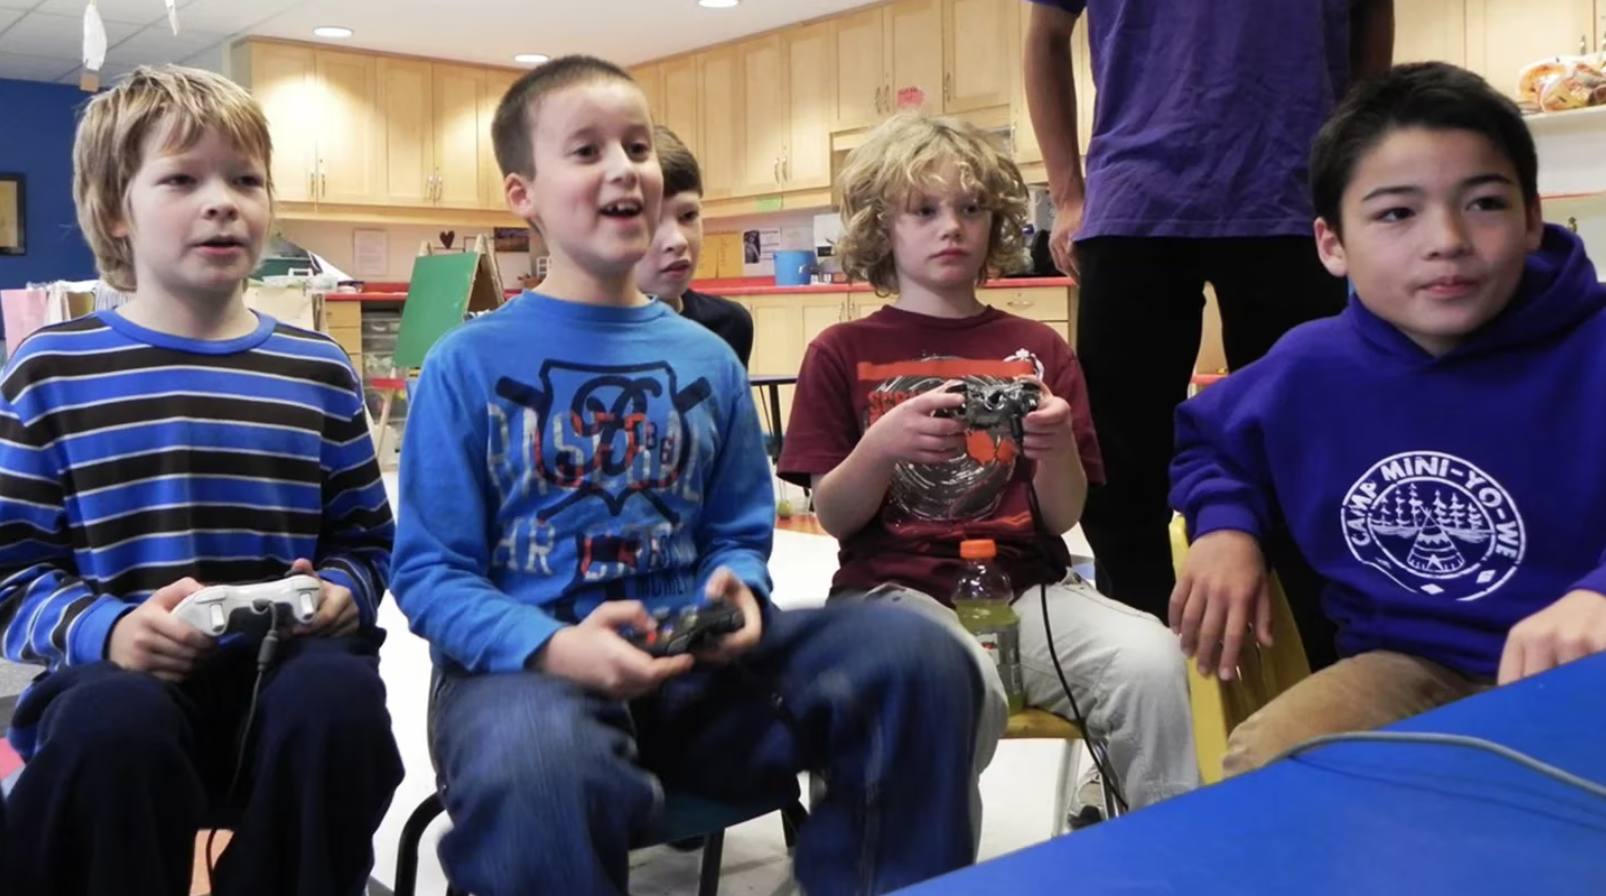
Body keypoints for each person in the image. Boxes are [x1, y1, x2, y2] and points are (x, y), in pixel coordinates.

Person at [390, 56, 982, 896]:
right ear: (523, 194)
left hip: (693, 673)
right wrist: (555, 645)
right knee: (543, 763)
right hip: (526, 679)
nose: (623, 168)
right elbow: (431, 576)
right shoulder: (464, 365)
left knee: (917, 655)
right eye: (586, 150)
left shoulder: (707, 359)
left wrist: (739, 585)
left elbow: (737, 533)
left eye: (636, 147)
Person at [0, 65, 401, 896]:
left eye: (245, 179)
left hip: (288, 676)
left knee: (341, 705)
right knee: (112, 726)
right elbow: (11, 572)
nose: (222, 202)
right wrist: (107, 629)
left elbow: (367, 541)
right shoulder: (50, 370)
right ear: (116, 209)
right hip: (119, 684)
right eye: (182, 179)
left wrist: (342, 591)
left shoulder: (318, 370)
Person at [1169, 62, 1606, 775]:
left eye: (1485, 203)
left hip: (1587, 669)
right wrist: (1224, 526)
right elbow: (1212, 444)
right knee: (1277, 761)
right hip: (1409, 668)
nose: (1447, 240)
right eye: (1397, 213)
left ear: (1532, 218)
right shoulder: (1308, 366)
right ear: (1332, 244)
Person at [779, 112, 1198, 828]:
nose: (952, 227)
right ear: (883, 225)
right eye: (925, 210)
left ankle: (1162, 857)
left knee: (1152, 660)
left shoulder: (1040, 347)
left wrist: (1054, 445)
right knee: (953, 682)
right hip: (892, 594)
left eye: (972, 208)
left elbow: (1061, 516)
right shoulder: (840, 350)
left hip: (1027, 588)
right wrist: (881, 446)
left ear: (997, 221)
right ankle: (926, 869)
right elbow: (838, 518)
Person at [1021, 0, 1396, 668]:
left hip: (1291, 195)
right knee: (1121, 476)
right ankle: (1146, 677)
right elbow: (1046, 35)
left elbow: (1371, 15)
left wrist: (1353, 169)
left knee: (1309, 459)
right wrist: (1068, 194)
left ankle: (1315, 675)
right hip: (1134, 203)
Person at [635, 124, 753, 367]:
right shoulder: (569, 341)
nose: (678, 241)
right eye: (651, 222)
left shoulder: (730, 325)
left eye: (688, 216)